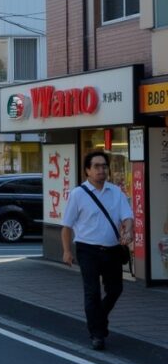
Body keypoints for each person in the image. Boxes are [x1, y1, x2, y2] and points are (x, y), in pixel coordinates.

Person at [61, 150, 134, 351]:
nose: (101, 170)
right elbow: (66, 226)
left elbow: (127, 217)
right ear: (87, 170)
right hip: (87, 250)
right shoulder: (78, 194)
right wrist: (67, 251)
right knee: (92, 292)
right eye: (96, 166)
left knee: (115, 290)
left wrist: (128, 230)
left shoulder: (116, 192)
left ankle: (99, 318)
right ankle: (97, 334)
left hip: (112, 250)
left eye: (104, 166)